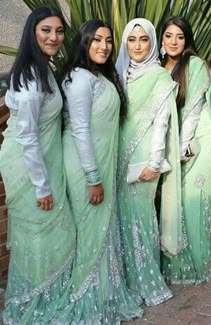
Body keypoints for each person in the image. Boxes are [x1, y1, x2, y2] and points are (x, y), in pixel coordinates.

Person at [56, 19, 143, 324]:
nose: (104, 46)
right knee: (90, 233)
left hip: (99, 163)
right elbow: (79, 129)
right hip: (84, 166)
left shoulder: (99, 76)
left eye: (108, 40)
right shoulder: (79, 78)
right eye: (97, 40)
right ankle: (84, 296)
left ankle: (102, 292)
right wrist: (93, 177)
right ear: (83, 42)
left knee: (100, 232)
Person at [0, 6, 76, 324]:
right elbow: (28, 136)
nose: (54, 37)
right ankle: (34, 306)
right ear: (32, 31)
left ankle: (45, 298)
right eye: (46, 30)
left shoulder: (42, 69)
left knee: (49, 238)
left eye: (59, 31)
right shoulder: (31, 77)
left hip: (44, 162)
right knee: (44, 236)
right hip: (32, 170)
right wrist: (41, 186)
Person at [160, 16, 211, 284]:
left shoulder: (195, 65)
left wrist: (181, 153)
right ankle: (176, 260)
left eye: (179, 37)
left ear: (187, 40)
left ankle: (199, 264)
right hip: (177, 141)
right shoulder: (161, 67)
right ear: (161, 38)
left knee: (191, 198)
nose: (173, 41)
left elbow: (192, 112)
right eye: (169, 36)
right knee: (176, 199)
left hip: (197, 143)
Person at [115, 18, 184, 305]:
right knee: (120, 219)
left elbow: (161, 124)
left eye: (144, 39)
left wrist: (154, 164)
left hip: (143, 162)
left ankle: (145, 279)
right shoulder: (119, 73)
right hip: (116, 159)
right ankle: (125, 279)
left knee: (140, 219)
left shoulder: (158, 76)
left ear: (153, 42)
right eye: (132, 40)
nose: (138, 46)